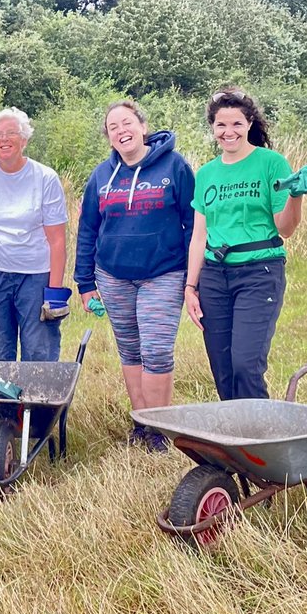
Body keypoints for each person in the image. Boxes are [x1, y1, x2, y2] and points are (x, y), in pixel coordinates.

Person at [184, 88, 307, 401]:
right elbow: (199, 236)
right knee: (222, 368)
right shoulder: (206, 174)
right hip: (214, 277)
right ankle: (234, 445)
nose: (228, 132)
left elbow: (285, 228)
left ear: (249, 123)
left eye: (236, 124)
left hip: (259, 273)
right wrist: (190, 287)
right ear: (212, 128)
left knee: (245, 365)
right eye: (221, 125)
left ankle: (261, 441)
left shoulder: (271, 163)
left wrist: (296, 194)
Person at [74, 100, 195, 450]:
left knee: (156, 350)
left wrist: (193, 279)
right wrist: (84, 282)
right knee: (130, 351)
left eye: (127, 123)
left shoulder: (175, 166)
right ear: (109, 137)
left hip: (164, 272)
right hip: (112, 276)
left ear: (143, 127)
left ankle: (159, 429)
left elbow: (193, 223)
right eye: (113, 127)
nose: (121, 131)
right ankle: (141, 423)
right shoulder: (101, 175)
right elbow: (88, 229)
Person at [0, 108, 69, 362]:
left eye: (11, 133)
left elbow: (57, 240)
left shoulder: (45, 178)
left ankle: (38, 403)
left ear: (25, 140)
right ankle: (1, 402)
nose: (4, 139)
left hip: (35, 275)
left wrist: (54, 290)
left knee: (39, 348)